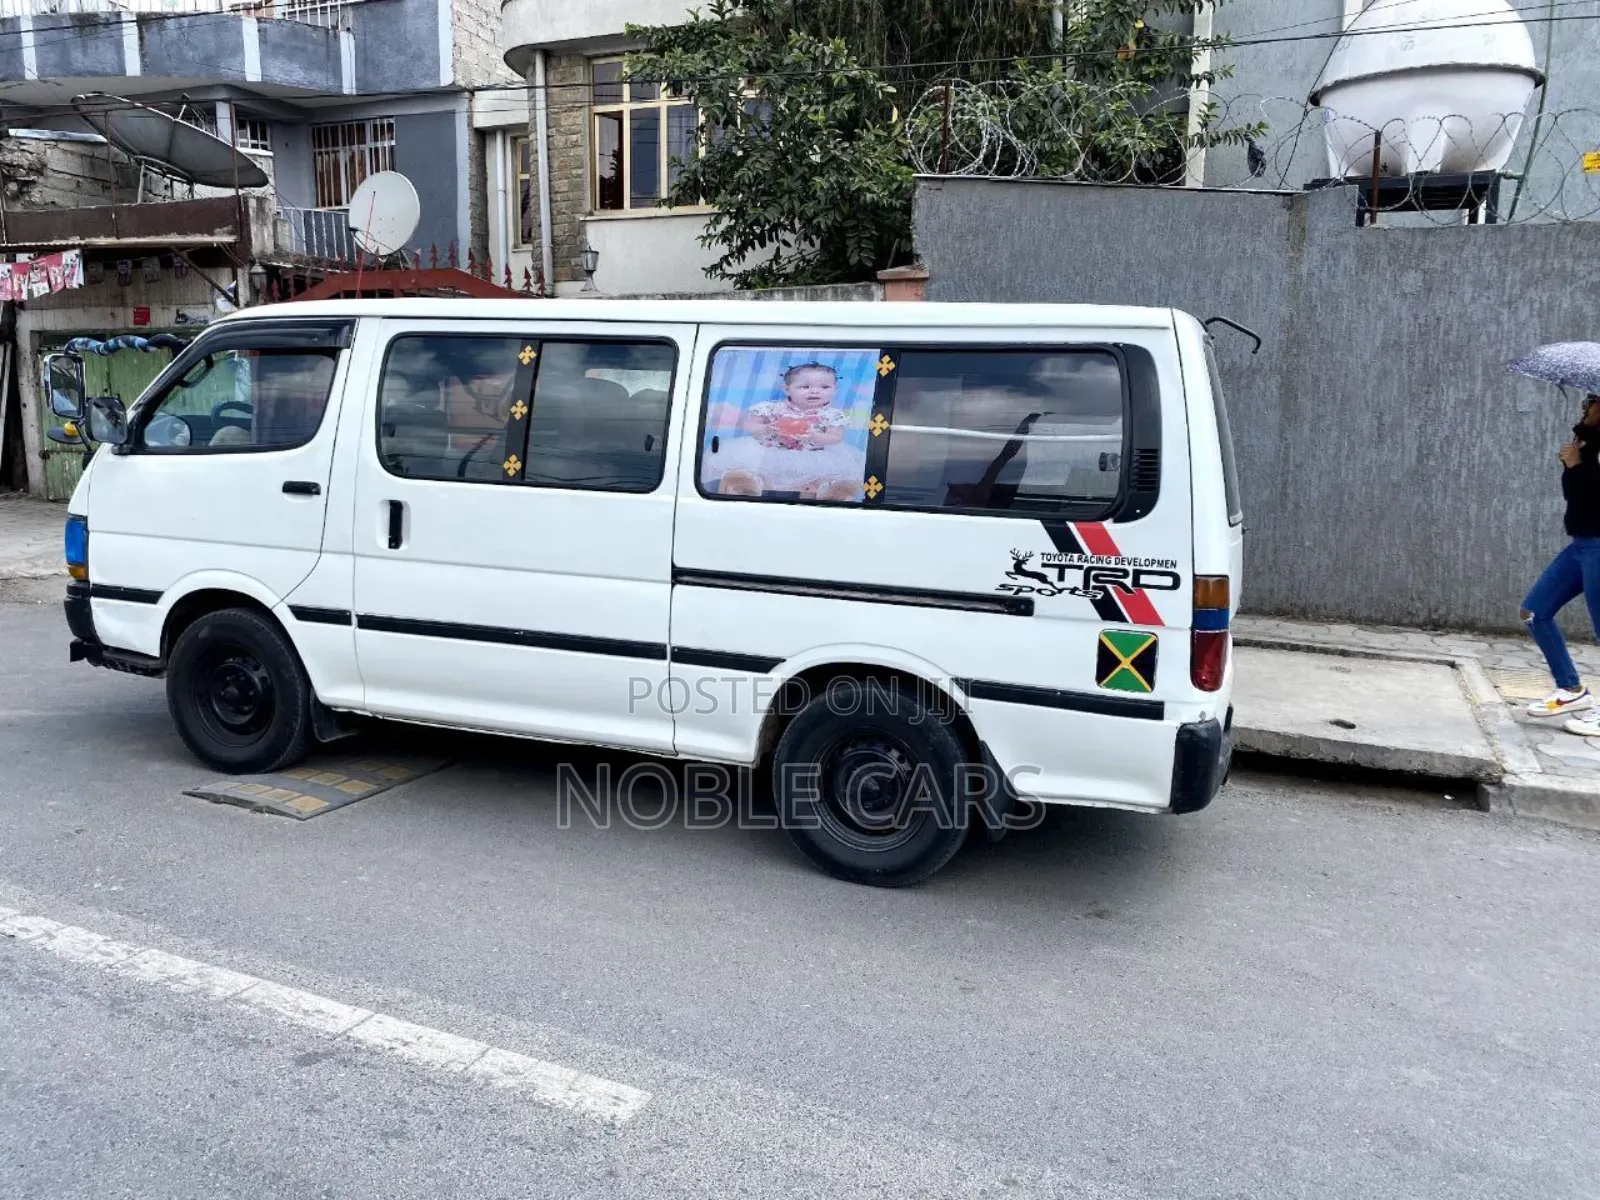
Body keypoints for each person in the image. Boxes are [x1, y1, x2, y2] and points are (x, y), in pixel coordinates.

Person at [1524, 393, 1600, 731]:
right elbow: (1576, 497)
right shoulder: (1586, 441)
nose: (1586, 406)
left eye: (1593, 401)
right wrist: (1574, 462)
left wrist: (1576, 466)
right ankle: (1571, 689)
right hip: (1582, 544)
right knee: (1534, 612)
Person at [706, 361, 867, 500]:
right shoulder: (771, 408)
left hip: (813, 453)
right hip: (770, 450)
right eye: (805, 386)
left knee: (827, 475)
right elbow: (750, 425)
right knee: (750, 467)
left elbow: (836, 437)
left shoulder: (832, 415)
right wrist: (766, 428)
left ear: (834, 390)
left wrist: (816, 436)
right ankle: (747, 486)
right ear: (787, 388)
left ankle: (828, 493)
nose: (814, 391)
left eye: (825, 387)